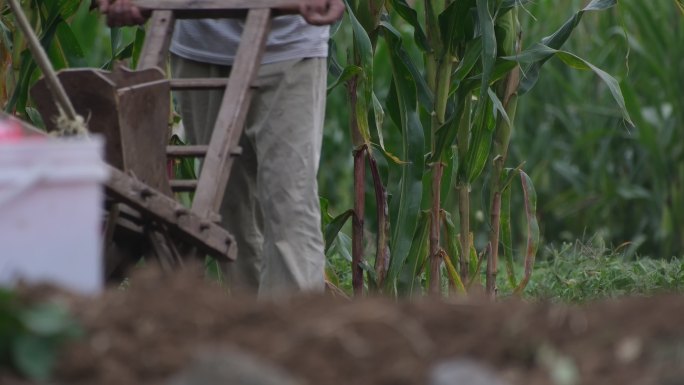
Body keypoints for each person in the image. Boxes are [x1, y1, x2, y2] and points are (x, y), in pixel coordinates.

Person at [98, 0, 344, 296]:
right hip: (201, 43)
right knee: (229, 210)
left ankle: (295, 329)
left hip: (287, 43)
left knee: (289, 199)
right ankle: (248, 324)